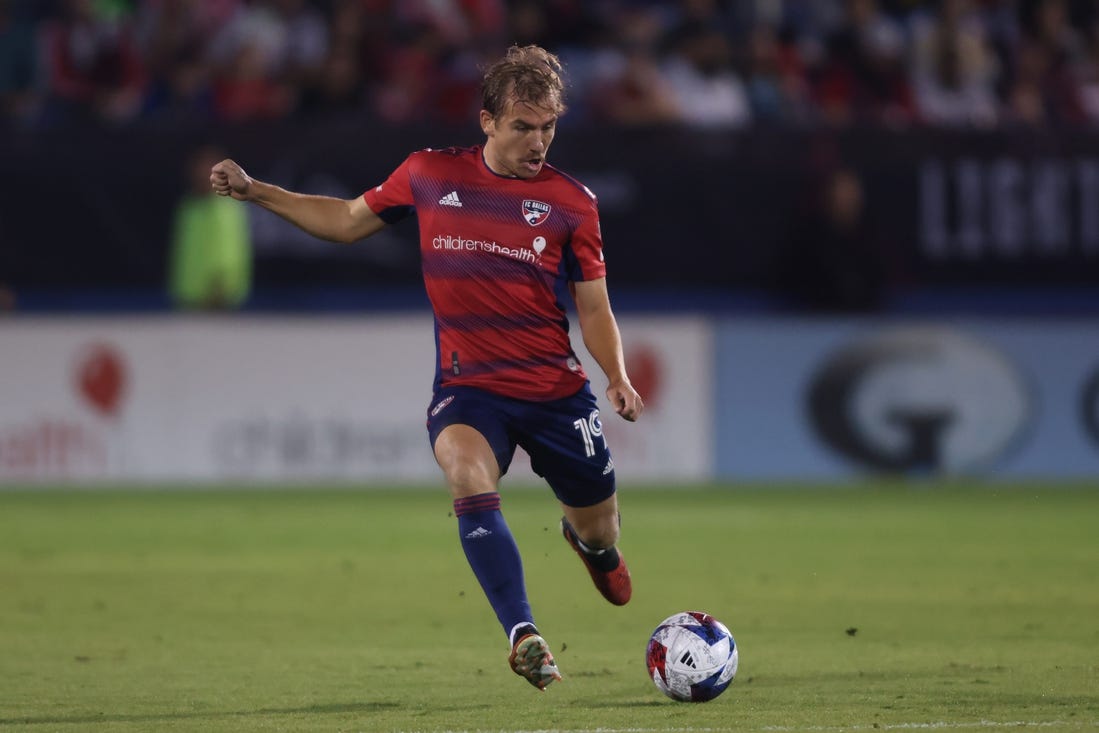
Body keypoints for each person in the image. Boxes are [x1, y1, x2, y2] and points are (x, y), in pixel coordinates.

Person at [209, 44, 643, 691]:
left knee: (601, 526)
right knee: (465, 473)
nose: (538, 141)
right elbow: (346, 221)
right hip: (469, 390)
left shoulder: (571, 203)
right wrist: (256, 192)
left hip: (555, 392)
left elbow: (594, 307)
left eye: (548, 125)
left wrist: (616, 374)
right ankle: (522, 633)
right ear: (487, 121)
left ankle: (590, 544)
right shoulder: (428, 174)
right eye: (523, 125)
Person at [170, 144, 252, 310]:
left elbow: (229, 251)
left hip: (217, 302)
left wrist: (222, 286)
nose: (202, 173)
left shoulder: (226, 208)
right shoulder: (188, 206)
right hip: (187, 301)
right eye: (198, 167)